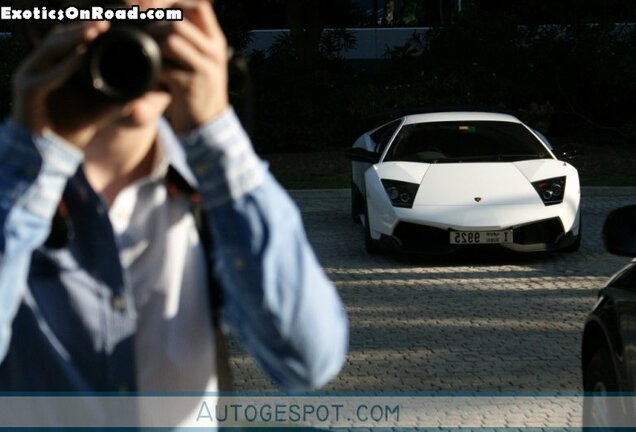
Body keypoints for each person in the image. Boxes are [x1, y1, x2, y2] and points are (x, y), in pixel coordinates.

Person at [0, 0, 348, 424]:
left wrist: (216, 135)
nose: (135, 43)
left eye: (157, 23)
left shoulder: (216, 189)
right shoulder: (11, 189)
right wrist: (31, 162)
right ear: (42, 33)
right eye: (114, 17)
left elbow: (307, 360)